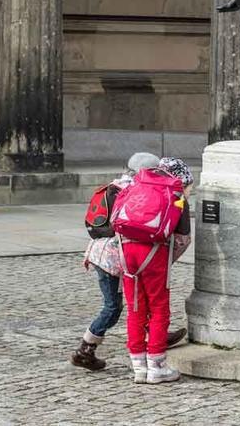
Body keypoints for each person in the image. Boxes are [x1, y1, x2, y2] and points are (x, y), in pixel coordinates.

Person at [72, 152, 188, 373]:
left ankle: (151, 342)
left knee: (136, 302)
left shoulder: (113, 187)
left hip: (103, 254)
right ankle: (85, 349)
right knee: (114, 307)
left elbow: (95, 225)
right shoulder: (140, 190)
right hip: (121, 257)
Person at [114, 153, 192, 384]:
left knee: (135, 307)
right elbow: (182, 236)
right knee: (158, 308)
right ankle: (157, 366)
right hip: (154, 253)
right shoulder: (173, 191)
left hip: (127, 252)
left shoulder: (132, 186)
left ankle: (138, 366)